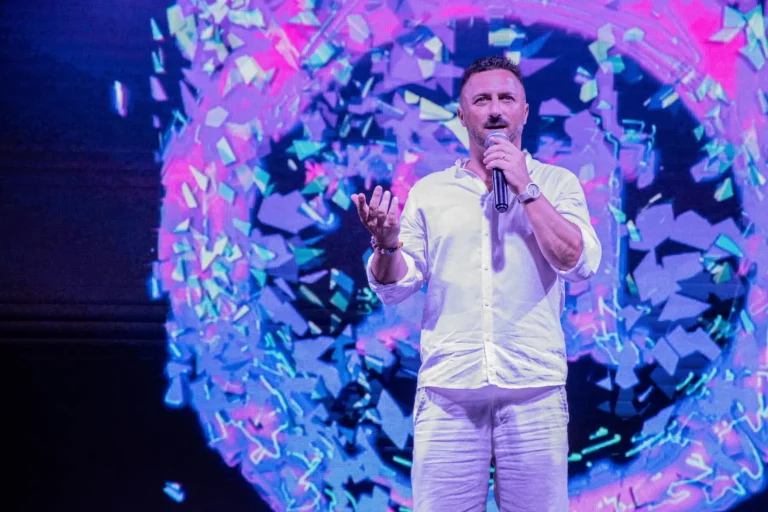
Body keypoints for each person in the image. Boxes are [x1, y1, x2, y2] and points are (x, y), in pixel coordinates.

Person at [350, 55, 601, 511]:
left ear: (525, 111)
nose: (496, 109)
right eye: (482, 100)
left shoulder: (557, 183)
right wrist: (386, 245)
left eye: (507, 98)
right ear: (462, 115)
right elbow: (396, 286)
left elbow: (578, 263)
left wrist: (526, 187)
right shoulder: (431, 192)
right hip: (450, 392)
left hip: (533, 390)